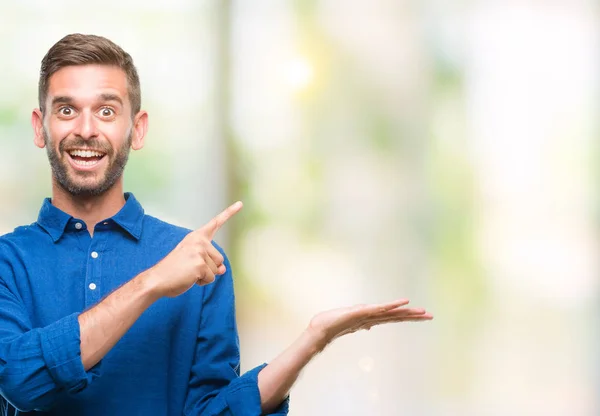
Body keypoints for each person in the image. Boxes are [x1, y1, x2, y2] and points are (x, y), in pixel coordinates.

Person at [0, 33, 433, 416]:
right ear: (41, 127)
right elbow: (20, 380)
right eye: (67, 110)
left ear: (138, 128)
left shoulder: (198, 263)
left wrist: (312, 340)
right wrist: (152, 283)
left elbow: (212, 411)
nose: (87, 129)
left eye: (107, 111)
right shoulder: (8, 261)